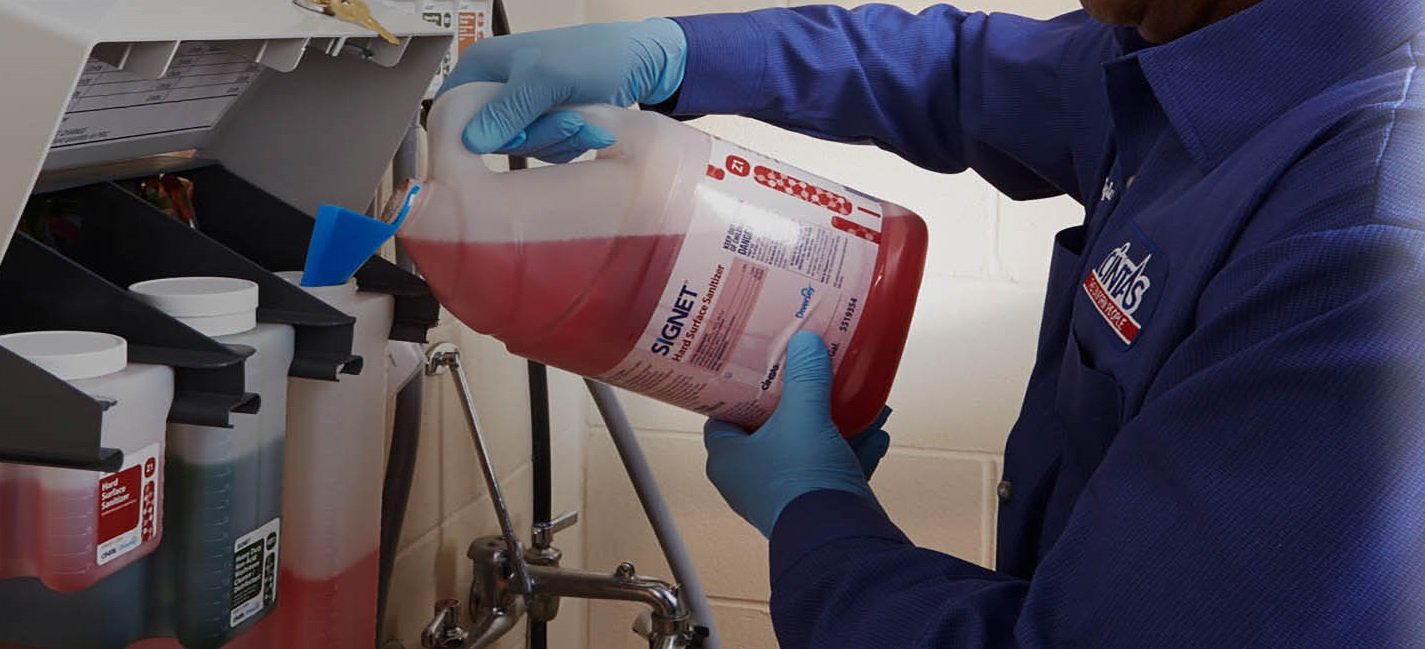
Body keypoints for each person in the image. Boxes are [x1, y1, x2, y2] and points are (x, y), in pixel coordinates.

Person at [439, 0, 1425, 645]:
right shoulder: (1200, 38)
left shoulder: (1364, 245)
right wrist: (683, 59)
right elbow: (959, 70)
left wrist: (813, 515)